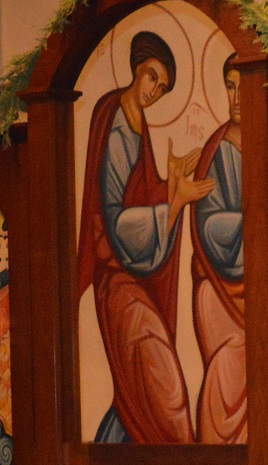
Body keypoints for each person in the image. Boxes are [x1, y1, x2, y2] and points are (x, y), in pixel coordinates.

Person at [77, 29, 214, 443]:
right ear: (138, 69)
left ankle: (110, 455)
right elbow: (117, 221)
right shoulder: (115, 116)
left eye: (164, 86)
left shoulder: (138, 121)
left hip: (131, 276)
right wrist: (175, 201)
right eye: (153, 77)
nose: (155, 90)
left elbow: (137, 192)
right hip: (116, 277)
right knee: (163, 385)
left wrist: (171, 179)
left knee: (138, 390)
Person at [192, 54, 248, 443]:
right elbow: (209, 227)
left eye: (243, 86)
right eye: (230, 86)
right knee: (229, 363)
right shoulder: (218, 151)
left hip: (258, 291)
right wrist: (254, 218)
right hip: (217, 284)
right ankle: (215, 458)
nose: (237, 97)